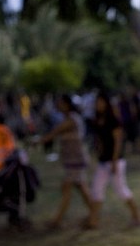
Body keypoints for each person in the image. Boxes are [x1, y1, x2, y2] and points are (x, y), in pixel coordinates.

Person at [38, 94, 96, 229]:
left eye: (60, 103)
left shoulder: (72, 119)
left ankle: (57, 220)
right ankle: (94, 214)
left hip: (76, 160)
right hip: (72, 160)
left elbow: (55, 132)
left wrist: (39, 141)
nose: (58, 105)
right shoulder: (68, 118)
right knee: (81, 188)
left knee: (67, 187)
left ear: (67, 104)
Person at [91, 92, 140, 228]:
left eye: (101, 102)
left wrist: (114, 161)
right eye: (97, 102)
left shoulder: (113, 120)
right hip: (103, 161)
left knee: (121, 190)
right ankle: (93, 220)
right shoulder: (98, 120)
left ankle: (136, 217)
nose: (98, 105)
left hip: (115, 161)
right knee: (97, 190)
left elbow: (118, 142)